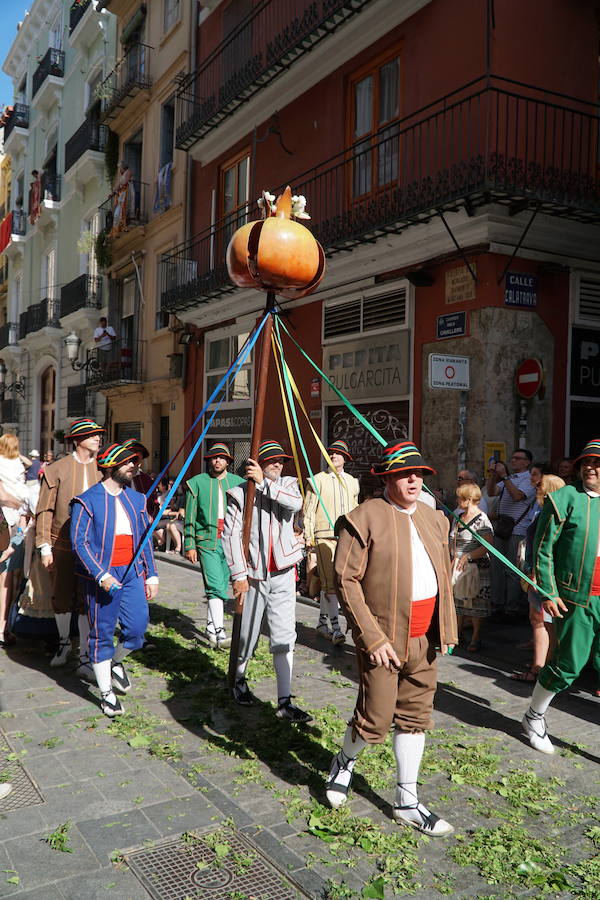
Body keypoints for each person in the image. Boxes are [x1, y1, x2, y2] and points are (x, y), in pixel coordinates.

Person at [326, 441, 457, 835]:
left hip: (424, 640)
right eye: (405, 473)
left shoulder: (435, 519)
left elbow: (442, 575)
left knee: (416, 718)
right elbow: (345, 581)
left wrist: (445, 628)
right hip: (383, 640)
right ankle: (344, 762)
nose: (414, 479)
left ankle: (407, 801)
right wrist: (372, 636)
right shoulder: (364, 518)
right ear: (386, 478)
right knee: (375, 719)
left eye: (419, 473)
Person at [222, 439, 311, 723]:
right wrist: (238, 575)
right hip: (254, 575)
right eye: (271, 460)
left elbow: (295, 503)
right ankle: (239, 679)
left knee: (285, 636)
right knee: (246, 633)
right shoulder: (239, 493)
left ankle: (285, 701)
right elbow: (231, 536)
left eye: (280, 460)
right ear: (258, 463)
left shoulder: (288, 485)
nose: (277, 464)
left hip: (283, 573)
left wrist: (264, 484)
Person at [521, 439, 600, 754]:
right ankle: (534, 715)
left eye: (598, 463)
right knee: (568, 663)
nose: (592, 468)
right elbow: (542, 549)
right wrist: (547, 592)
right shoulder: (565, 498)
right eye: (587, 463)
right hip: (577, 597)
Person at [70, 442, 158, 717]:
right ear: (110, 467)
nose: (134, 466)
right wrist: (101, 575)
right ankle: (106, 692)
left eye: (134, 462)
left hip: (133, 573)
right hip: (102, 576)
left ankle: (114, 662)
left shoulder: (137, 499)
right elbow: (79, 543)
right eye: (127, 462)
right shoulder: (86, 500)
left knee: (136, 630)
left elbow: (144, 541)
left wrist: (152, 573)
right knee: (102, 634)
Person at [35, 418, 104, 671]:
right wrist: (44, 546)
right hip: (61, 544)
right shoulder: (57, 469)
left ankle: (85, 652)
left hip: (94, 547)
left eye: (99, 435)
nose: (98, 438)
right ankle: (64, 642)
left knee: (88, 599)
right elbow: (45, 509)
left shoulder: (103, 469)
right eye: (93, 435)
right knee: (62, 595)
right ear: (78, 440)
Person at [184, 443, 244, 649]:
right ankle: (219, 632)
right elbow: (190, 516)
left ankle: (210, 626)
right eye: (213, 457)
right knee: (216, 586)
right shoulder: (197, 482)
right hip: (206, 540)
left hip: (230, 541)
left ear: (228, 461)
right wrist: (189, 543)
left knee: (222, 583)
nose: (217, 460)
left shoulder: (239, 482)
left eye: (221, 457)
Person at [303, 439, 359, 644]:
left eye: (337, 453)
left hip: (346, 538)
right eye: (331, 453)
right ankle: (336, 627)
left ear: (345, 458)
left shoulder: (353, 482)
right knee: (330, 583)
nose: (333, 456)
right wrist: (309, 538)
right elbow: (308, 511)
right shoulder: (316, 480)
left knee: (338, 582)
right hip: (323, 537)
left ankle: (321, 623)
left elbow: (355, 510)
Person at [511, 473, 565, 683]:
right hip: (537, 573)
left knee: (542, 622)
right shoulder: (544, 511)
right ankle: (541, 663)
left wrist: (537, 572)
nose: (536, 487)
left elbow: (547, 548)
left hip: (541, 577)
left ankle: (539, 669)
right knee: (540, 621)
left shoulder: (550, 514)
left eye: (541, 484)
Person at [486, 449, 536, 623]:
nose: (513, 460)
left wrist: (505, 476)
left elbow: (517, 496)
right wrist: (493, 475)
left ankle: (511, 608)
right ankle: (497, 604)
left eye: (517, 458)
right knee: (496, 567)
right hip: (502, 527)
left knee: (512, 570)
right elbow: (491, 492)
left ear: (526, 462)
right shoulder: (511, 479)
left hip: (517, 529)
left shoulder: (529, 479)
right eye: (512, 458)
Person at [449, 483, 493, 651]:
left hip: (476, 568)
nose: (457, 501)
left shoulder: (482, 520)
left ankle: (475, 638)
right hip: (459, 567)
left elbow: (488, 545)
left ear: (468, 500)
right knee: (458, 602)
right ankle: (457, 635)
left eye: (460, 498)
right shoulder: (459, 516)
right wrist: (453, 556)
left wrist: (468, 556)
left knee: (476, 603)